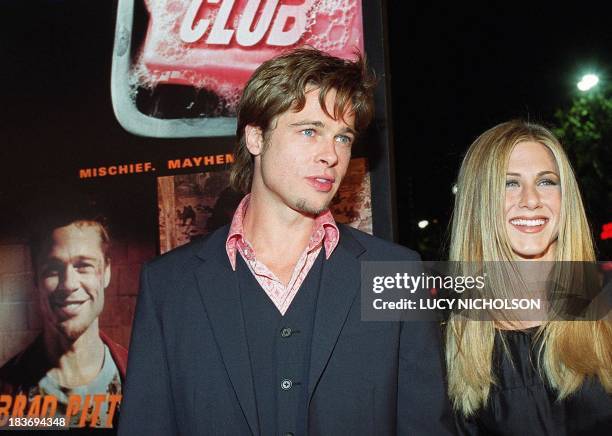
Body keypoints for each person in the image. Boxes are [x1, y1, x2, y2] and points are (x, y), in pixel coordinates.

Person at [118, 48, 453, 435]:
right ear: (256, 137)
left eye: (342, 138)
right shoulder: (169, 286)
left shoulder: (395, 273)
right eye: (309, 131)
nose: (331, 155)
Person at [445, 120, 612, 435]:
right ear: (480, 202)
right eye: (509, 184)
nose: (531, 200)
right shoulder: (453, 342)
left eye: (547, 181)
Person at [0, 196, 127, 428]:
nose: (68, 284)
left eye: (83, 266)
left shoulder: (147, 378)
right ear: (36, 280)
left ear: (106, 272)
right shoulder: (4, 392)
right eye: (52, 270)